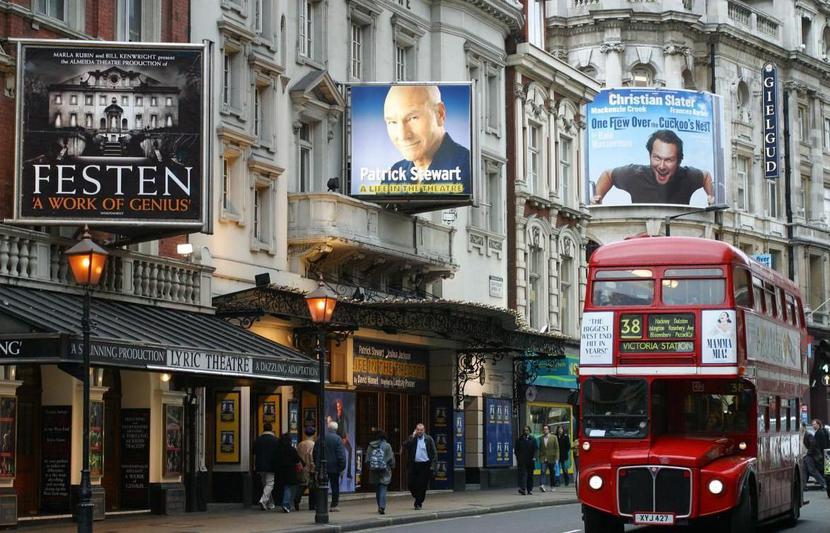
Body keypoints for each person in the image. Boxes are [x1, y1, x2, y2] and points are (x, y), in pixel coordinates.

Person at [591, 129, 715, 205]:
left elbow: (706, 177)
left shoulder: (688, 176)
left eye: (668, 160)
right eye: (657, 158)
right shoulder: (635, 174)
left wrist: (712, 198)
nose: (661, 166)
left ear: (679, 161)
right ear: (650, 155)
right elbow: (607, 175)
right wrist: (598, 198)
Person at [382, 85, 471, 191]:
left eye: (412, 118)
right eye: (392, 122)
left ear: (439, 114)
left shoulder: (469, 170)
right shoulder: (393, 175)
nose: (403, 136)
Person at [313, 421, 347, 511]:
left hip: (322, 466)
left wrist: (317, 464)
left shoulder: (320, 438)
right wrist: (342, 467)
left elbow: (315, 452)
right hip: (334, 467)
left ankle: (320, 504)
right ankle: (334, 505)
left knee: (321, 485)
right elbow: (341, 455)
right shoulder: (337, 439)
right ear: (336, 429)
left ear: (328, 429)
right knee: (335, 485)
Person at [403, 423, 437, 509]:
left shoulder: (429, 439)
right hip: (414, 465)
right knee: (410, 484)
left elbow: (434, 453)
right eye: (418, 430)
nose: (419, 431)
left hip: (425, 465)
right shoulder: (413, 439)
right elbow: (405, 445)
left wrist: (432, 466)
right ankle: (417, 497)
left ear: (424, 430)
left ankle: (418, 503)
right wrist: (412, 436)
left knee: (422, 485)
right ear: (416, 430)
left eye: (421, 430)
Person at [365, 429, 395, 514]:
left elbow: (367, 459)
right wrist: (391, 466)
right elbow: (390, 459)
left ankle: (379, 505)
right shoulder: (387, 446)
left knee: (377, 489)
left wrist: (371, 467)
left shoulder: (371, 446)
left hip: (374, 471)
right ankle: (382, 507)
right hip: (385, 471)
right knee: (383, 488)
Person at [253, 422, 279, 511]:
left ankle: (270, 503)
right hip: (271, 465)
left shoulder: (258, 440)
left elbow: (254, 453)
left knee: (265, 485)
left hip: (259, 465)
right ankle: (263, 500)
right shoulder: (275, 440)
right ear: (271, 429)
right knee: (270, 484)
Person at [278, 432, 303, 513]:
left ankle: (286, 503)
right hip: (291, 471)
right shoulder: (291, 449)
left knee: (285, 487)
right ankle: (286, 504)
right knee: (289, 487)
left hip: (281, 470)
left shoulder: (279, 449)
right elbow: (297, 459)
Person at [805, 419, 829, 490]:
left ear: (818, 424)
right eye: (812, 424)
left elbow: (822, 445)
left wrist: (820, 455)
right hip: (820, 454)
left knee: (819, 470)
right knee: (814, 469)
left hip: (820, 455)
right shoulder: (819, 432)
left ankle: (825, 484)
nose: (813, 426)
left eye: (814, 424)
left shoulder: (820, 433)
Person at [296, 427, 316, 511]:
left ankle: (296, 500)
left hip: (301, 468)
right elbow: (312, 458)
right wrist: (313, 469)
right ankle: (312, 505)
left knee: (302, 485)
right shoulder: (313, 445)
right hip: (309, 468)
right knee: (312, 488)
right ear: (314, 434)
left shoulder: (300, 444)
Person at [515, 425, 538, 495]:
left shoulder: (533, 439)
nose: (526, 432)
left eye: (527, 430)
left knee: (530, 475)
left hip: (531, 460)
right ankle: (523, 489)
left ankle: (529, 489)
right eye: (524, 430)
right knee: (523, 475)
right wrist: (518, 458)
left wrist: (534, 457)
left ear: (529, 431)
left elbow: (536, 449)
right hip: (522, 461)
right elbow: (516, 450)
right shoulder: (519, 439)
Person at [538, 425, 559, 492]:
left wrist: (557, 458)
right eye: (544, 429)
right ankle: (542, 485)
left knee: (552, 473)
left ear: (549, 430)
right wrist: (540, 456)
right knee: (543, 471)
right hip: (543, 458)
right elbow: (540, 448)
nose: (545, 430)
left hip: (552, 458)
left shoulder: (554, 437)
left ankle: (552, 486)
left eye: (546, 429)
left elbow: (557, 448)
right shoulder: (541, 438)